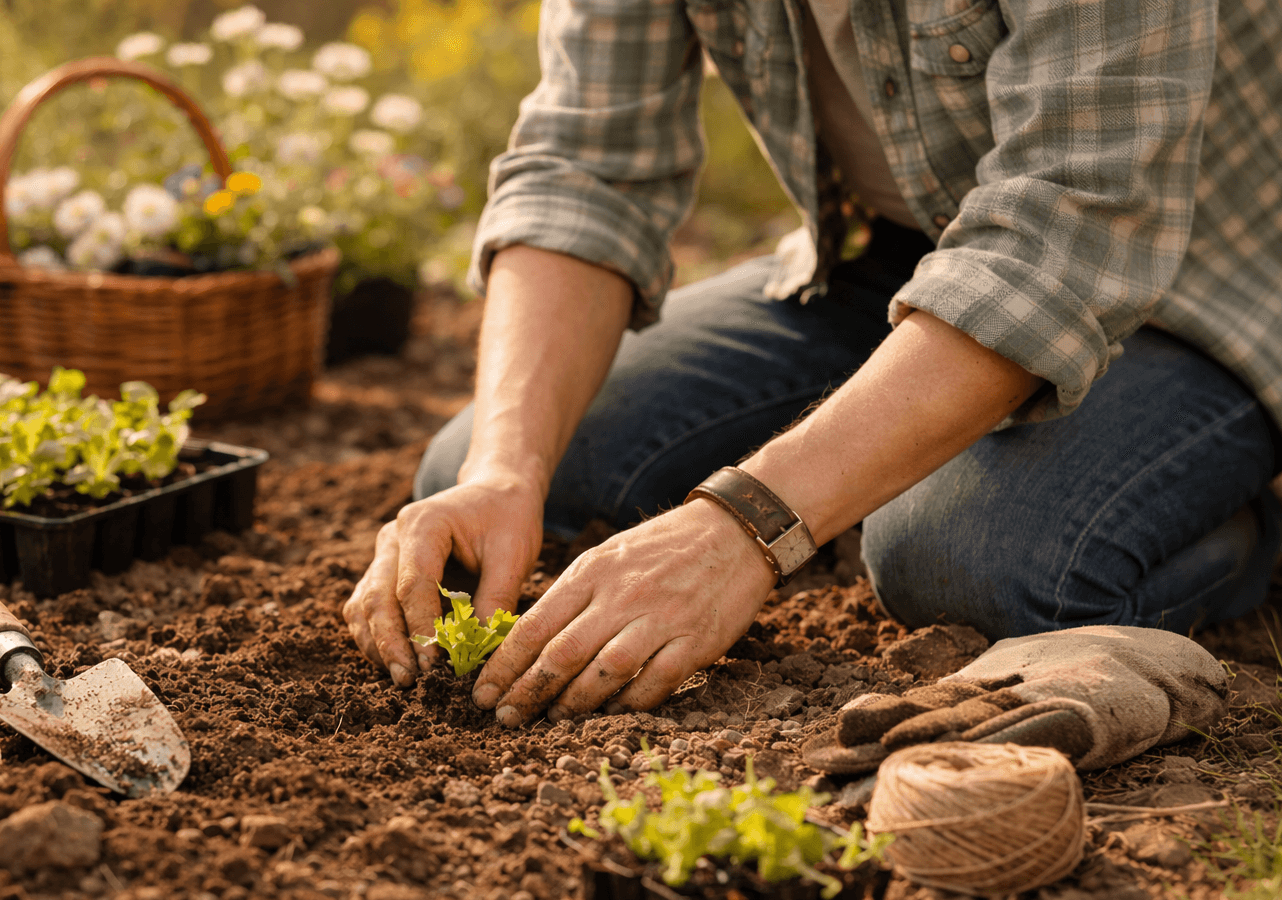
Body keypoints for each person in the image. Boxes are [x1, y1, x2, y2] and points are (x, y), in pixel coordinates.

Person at [344, 0, 1282, 728]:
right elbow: (585, 166)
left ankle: (1226, 519)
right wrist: (504, 468)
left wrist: (744, 528)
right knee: (513, 480)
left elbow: (1071, 217)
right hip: (895, 253)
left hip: (1195, 277)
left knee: (961, 562)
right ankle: (866, 468)